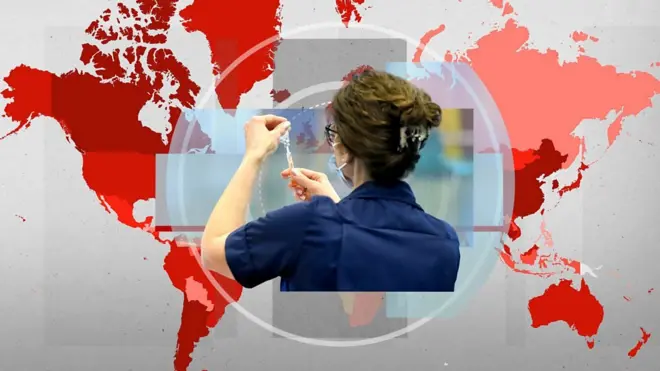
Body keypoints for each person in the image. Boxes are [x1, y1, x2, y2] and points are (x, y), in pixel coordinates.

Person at [201, 69, 460, 291]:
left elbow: (214, 252)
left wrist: (254, 156)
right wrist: (335, 208)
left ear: (345, 146)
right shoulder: (444, 241)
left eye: (333, 133)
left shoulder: (306, 225)